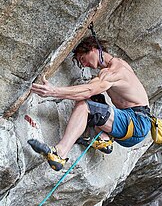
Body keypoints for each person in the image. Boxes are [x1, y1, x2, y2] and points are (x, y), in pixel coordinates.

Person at [28, 36, 151, 171]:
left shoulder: (114, 72)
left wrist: (54, 91)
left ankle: (59, 153)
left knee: (85, 105)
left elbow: (87, 91)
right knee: (95, 99)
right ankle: (104, 139)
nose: (84, 64)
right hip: (133, 125)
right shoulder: (118, 64)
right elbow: (91, 90)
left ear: (92, 49)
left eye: (82, 59)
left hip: (136, 123)